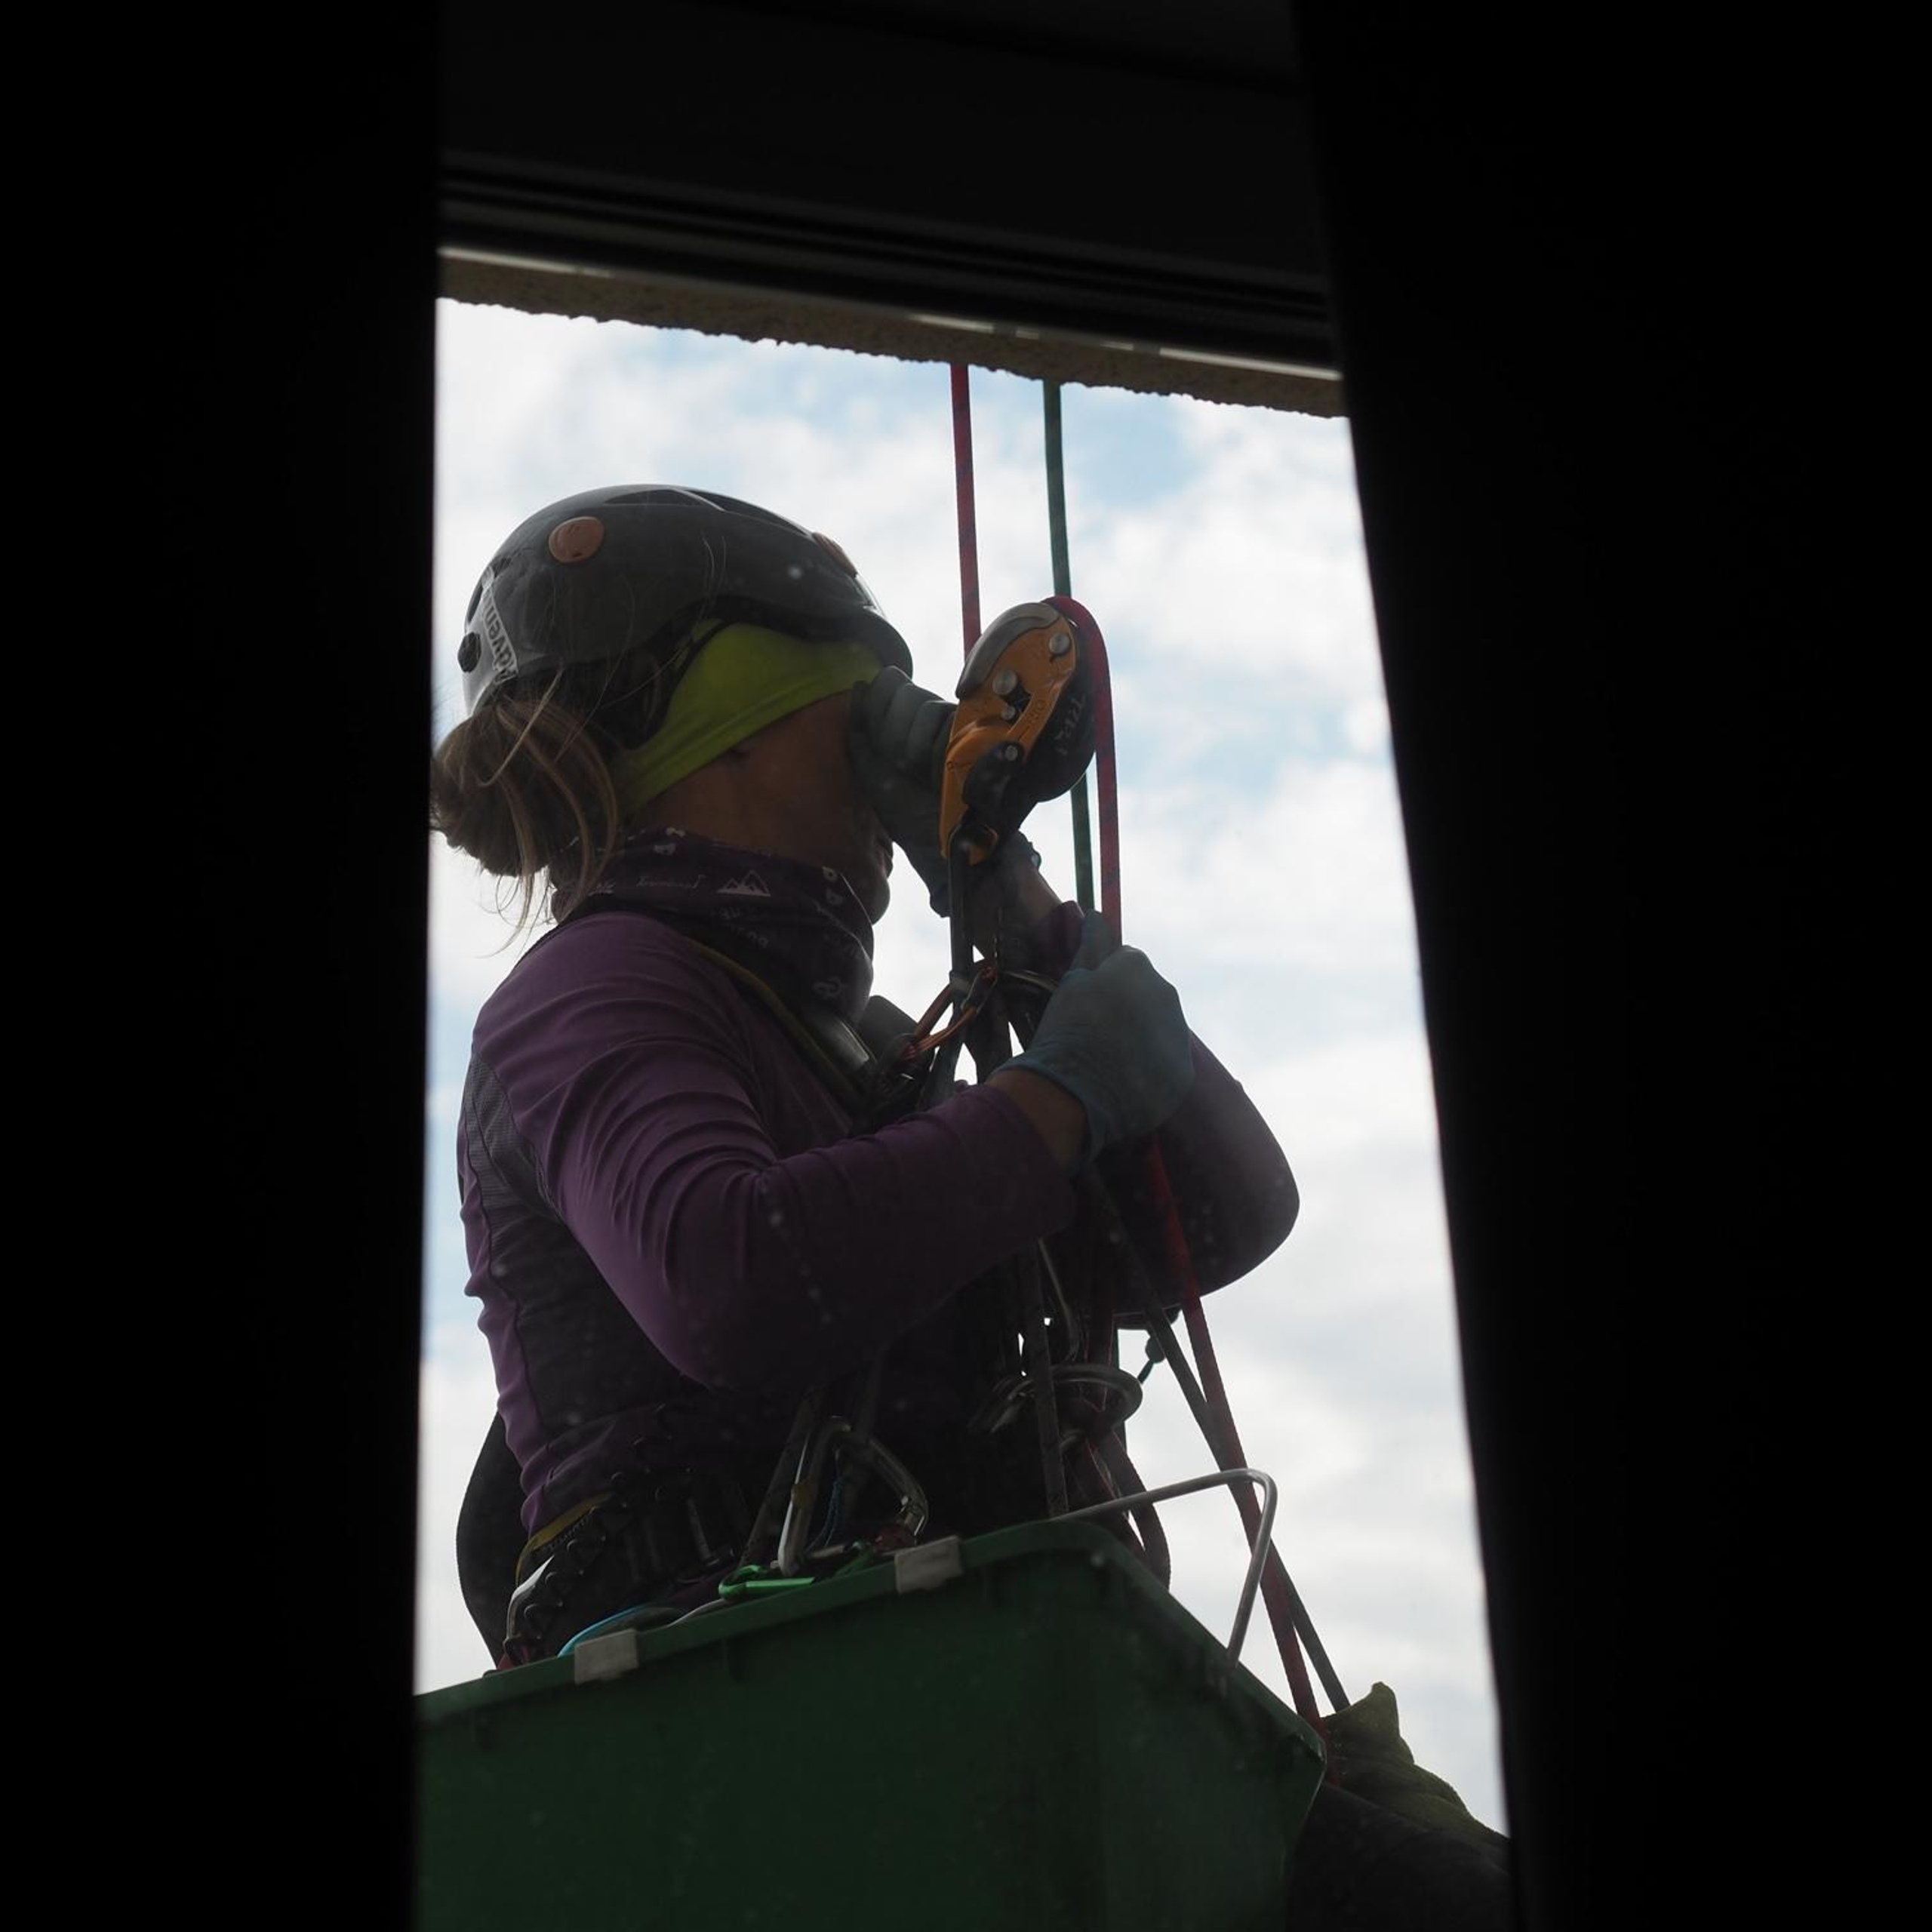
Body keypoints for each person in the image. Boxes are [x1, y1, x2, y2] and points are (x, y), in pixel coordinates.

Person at [431, 483, 1510, 1928]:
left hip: (946, 1676)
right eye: (871, 717)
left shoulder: (871, 1042)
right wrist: (1052, 1105)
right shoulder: (602, 988)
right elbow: (729, 1280)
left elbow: (1231, 1215)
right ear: (743, 726)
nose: (909, 762)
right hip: (773, 1706)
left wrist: (1019, 909)